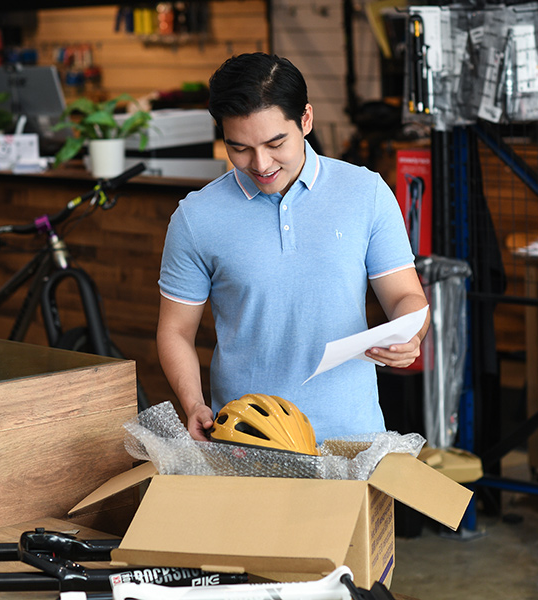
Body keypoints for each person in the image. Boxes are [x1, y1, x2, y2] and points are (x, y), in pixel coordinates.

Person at [157, 52, 429, 443]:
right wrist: (194, 402)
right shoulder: (196, 217)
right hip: (246, 438)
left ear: (306, 119)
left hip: (352, 438)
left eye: (275, 142)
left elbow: (405, 296)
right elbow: (175, 331)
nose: (261, 163)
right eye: (240, 148)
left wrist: (410, 337)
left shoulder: (365, 192)